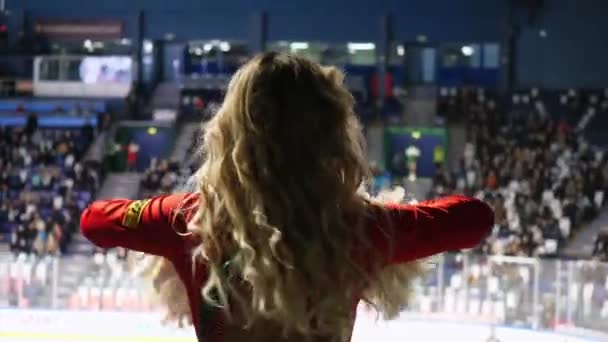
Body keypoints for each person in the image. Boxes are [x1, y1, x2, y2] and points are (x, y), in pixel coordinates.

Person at [80, 52, 494, 342]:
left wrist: (172, 209)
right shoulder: (360, 229)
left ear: (227, 134)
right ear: (333, 137)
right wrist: (381, 215)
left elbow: (95, 221)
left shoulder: (191, 221)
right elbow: (474, 218)